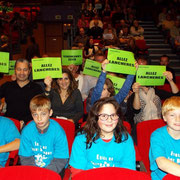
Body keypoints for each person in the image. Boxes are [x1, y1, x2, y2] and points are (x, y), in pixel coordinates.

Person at [69, 97, 136, 178]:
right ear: (95, 118)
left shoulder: (126, 139)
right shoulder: (81, 139)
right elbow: (78, 173)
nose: (109, 120)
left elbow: (128, 172)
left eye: (113, 115)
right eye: (104, 116)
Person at [19, 94, 69, 178]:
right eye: (35, 114)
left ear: (50, 113)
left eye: (43, 114)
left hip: (54, 168)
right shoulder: (27, 131)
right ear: (31, 115)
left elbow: (60, 159)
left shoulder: (58, 131)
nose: (39, 118)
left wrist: (44, 174)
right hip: (33, 168)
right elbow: (25, 157)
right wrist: (35, 173)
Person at [0, 59, 43, 126]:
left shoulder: (36, 88)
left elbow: (41, 108)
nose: (22, 73)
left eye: (25, 69)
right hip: (9, 124)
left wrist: (24, 122)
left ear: (29, 71)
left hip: (30, 125)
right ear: (15, 70)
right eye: (19, 69)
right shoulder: (7, 86)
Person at [149, 96, 180, 179]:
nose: (178, 119)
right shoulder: (157, 135)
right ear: (164, 117)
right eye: (172, 115)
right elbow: (162, 163)